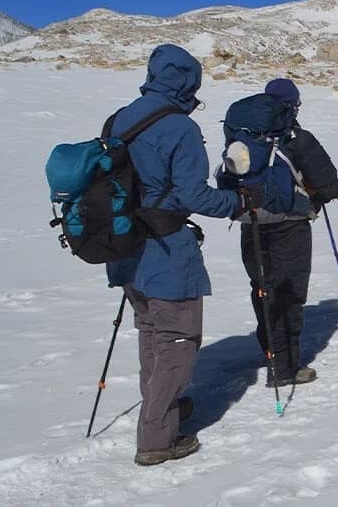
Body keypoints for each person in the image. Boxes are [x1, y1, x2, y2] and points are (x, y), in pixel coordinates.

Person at [105, 44, 253, 466]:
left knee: (152, 333)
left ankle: (160, 408)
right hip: (166, 249)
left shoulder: (121, 118)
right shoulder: (179, 127)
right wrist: (238, 202)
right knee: (177, 340)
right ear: (188, 83)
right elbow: (193, 195)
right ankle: (157, 438)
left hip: (126, 247)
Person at [238, 78, 338, 387]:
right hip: (290, 225)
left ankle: (271, 351)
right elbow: (327, 183)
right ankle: (284, 368)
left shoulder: (243, 135)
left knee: (262, 288)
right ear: (293, 106)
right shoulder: (297, 138)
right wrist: (337, 191)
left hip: (250, 222)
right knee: (288, 293)